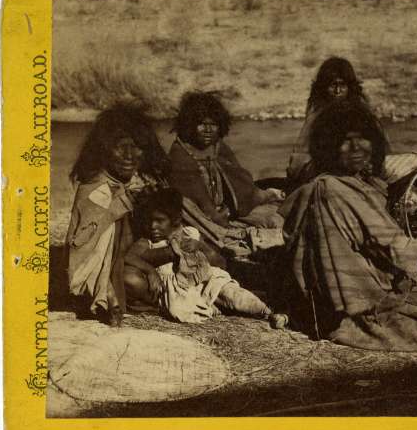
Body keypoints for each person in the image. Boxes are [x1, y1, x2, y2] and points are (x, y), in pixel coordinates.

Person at [278, 107, 417, 351]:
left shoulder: (350, 183)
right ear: (329, 146)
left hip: (337, 296)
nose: (357, 147)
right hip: (356, 308)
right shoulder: (332, 190)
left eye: (362, 138)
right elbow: (394, 248)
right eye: (346, 141)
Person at [66, 103, 170, 326]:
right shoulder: (94, 189)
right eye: (119, 147)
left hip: (137, 256)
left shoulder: (141, 181)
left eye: (136, 147)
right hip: (112, 270)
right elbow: (85, 252)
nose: (129, 156)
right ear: (103, 149)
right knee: (133, 282)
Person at [124, 189, 288, 327]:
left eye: (160, 221)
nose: (153, 226)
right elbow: (129, 256)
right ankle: (222, 307)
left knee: (234, 296)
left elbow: (219, 262)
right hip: (181, 291)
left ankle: (269, 313)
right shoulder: (148, 242)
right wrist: (150, 270)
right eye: (150, 221)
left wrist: (200, 246)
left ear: (175, 220)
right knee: (191, 308)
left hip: (206, 281)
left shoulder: (189, 234)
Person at [168, 92, 284, 237]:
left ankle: (269, 195)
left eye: (213, 125)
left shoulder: (217, 146)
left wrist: (232, 209)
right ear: (190, 124)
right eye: (202, 124)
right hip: (200, 219)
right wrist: (226, 227)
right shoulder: (181, 153)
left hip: (227, 211)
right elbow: (201, 203)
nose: (208, 130)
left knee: (277, 219)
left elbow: (240, 178)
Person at [286, 57, 384, 184]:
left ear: (350, 86)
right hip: (326, 170)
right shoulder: (317, 112)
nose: (338, 91)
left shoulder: (361, 110)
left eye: (342, 85)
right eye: (333, 85)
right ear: (323, 87)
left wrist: (372, 165)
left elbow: (378, 143)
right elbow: (300, 157)